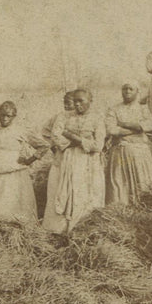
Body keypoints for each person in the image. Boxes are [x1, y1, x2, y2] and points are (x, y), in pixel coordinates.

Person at [43, 89, 106, 233]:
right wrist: (80, 142)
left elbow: (98, 145)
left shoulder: (97, 119)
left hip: (88, 163)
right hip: (68, 160)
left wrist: (73, 137)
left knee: (86, 192)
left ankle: (83, 228)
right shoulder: (63, 117)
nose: (78, 104)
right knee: (66, 191)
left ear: (90, 101)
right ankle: (61, 230)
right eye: (75, 101)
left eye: (81, 101)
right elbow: (55, 136)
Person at [0, 101, 49, 224]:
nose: (4, 118)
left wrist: (29, 160)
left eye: (8, 116)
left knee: (16, 207)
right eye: (2, 115)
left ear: (14, 116)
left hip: (15, 172)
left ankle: (21, 230)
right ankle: (0, 230)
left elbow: (44, 145)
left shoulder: (21, 130)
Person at [106, 81, 152, 204]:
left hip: (139, 151)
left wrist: (123, 124)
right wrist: (136, 128)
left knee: (142, 180)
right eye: (125, 89)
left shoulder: (143, 108)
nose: (127, 91)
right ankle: (121, 206)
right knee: (119, 182)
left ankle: (142, 204)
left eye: (130, 89)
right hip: (120, 150)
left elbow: (150, 125)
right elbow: (111, 129)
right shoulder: (114, 109)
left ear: (137, 92)